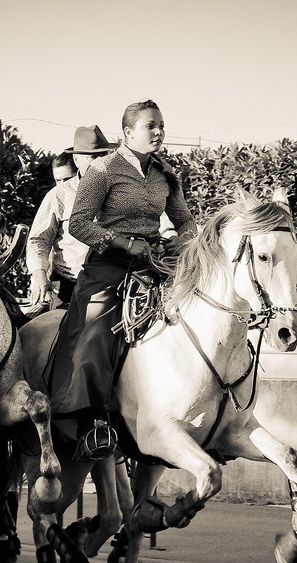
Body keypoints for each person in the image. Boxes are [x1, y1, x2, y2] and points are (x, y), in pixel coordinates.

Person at [48, 100, 195, 457]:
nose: (159, 131)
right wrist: (126, 244)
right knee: (97, 333)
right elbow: (79, 224)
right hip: (108, 265)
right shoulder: (103, 170)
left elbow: (187, 222)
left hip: (156, 263)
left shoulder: (165, 175)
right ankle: (92, 422)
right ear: (128, 133)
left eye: (161, 124)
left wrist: (181, 240)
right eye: (150, 126)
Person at [26, 126, 117, 311]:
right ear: (76, 159)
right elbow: (38, 240)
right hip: (69, 288)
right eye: (93, 156)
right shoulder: (59, 195)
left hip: (114, 285)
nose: (101, 161)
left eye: (104, 154)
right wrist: (39, 273)